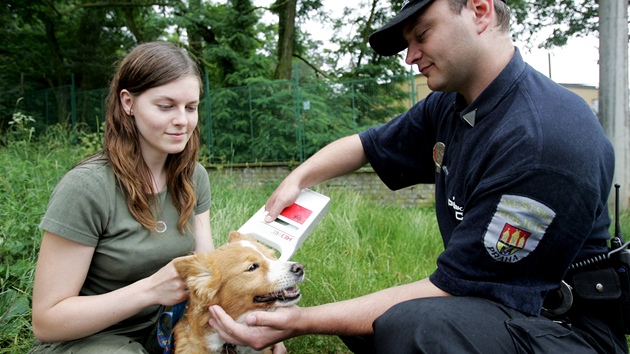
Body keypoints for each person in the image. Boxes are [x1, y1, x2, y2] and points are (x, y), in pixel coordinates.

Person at [206, 0, 629, 353]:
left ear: (479, 11)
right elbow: (367, 145)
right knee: (375, 324)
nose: (410, 55)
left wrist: (297, 321)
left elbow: (456, 289)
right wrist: (297, 179)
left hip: (568, 329)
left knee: (414, 327)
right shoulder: (455, 103)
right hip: (501, 310)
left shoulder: (542, 139)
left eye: (421, 34)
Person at [28, 41, 214, 353]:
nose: (182, 120)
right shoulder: (86, 187)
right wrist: (150, 290)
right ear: (128, 102)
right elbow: (46, 321)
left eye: (191, 107)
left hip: (166, 331)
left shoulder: (194, 176)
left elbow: (206, 272)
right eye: (166, 106)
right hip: (88, 341)